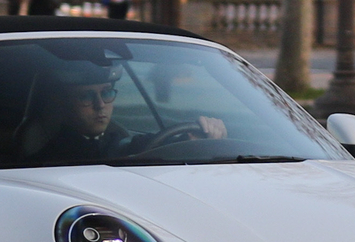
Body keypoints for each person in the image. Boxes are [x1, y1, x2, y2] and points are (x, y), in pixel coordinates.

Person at [19, 57, 221, 164]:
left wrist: (192, 139)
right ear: (63, 103)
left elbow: (144, 145)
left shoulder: (116, 139)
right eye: (86, 96)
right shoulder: (53, 156)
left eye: (106, 93)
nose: (100, 105)